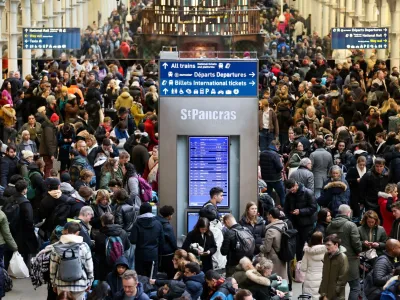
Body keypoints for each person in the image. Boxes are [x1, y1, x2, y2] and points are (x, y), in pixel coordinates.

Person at [326, 204, 362, 300]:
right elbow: (356, 243)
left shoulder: (330, 226)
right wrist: (359, 251)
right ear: (348, 213)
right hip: (350, 261)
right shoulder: (351, 225)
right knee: (355, 287)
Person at [50, 222, 94, 300]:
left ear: (66, 231)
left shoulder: (56, 247)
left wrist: (53, 283)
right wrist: (90, 281)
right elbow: (89, 267)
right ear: (77, 233)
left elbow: (53, 267)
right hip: (80, 285)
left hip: (61, 285)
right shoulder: (84, 246)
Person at [4, 180, 37, 271]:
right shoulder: (25, 203)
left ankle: (6, 270)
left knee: (8, 253)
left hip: (10, 230)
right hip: (22, 231)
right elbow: (29, 220)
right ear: (24, 190)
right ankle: (24, 269)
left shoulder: (9, 199)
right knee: (24, 253)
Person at [284, 179, 317, 261]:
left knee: (307, 244)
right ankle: (299, 263)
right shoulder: (289, 195)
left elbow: (313, 208)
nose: (292, 191)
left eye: (293, 189)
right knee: (298, 246)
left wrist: (300, 211)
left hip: (307, 224)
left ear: (296, 185)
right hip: (295, 224)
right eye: (290, 190)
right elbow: (286, 209)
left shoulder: (308, 193)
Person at [129, 202, 164, 277]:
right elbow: (162, 241)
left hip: (140, 255)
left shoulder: (136, 224)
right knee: (152, 278)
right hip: (153, 254)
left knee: (141, 278)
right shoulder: (158, 223)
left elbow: (133, 240)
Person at [93, 212, 131, 281]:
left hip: (105, 265)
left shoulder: (99, 235)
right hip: (120, 264)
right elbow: (127, 247)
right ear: (113, 221)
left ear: (102, 222)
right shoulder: (123, 232)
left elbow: (97, 252)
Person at [259, 207, 288, 280]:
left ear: (271, 215)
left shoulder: (270, 230)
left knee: (275, 279)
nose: (267, 216)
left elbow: (266, 248)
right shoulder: (284, 225)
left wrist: (259, 246)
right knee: (282, 279)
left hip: (273, 259)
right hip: (283, 256)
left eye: (268, 215)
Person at [319, 234, 349, 300]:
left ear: (336, 245)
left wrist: (334, 293)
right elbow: (324, 275)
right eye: (325, 245)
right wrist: (322, 291)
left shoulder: (342, 257)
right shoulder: (326, 255)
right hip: (325, 293)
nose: (326, 247)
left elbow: (342, 279)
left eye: (329, 245)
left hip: (336, 296)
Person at [259, 140, 286, 206]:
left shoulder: (262, 153)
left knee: (268, 196)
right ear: (276, 146)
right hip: (276, 179)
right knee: (282, 195)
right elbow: (279, 167)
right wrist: (281, 162)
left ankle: (269, 211)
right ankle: (285, 211)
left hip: (266, 179)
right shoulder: (275, 154)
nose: (278, 149)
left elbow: (260, 164)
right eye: (278, 147)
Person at [301, 231, 326, 300]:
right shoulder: (326, 251)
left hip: (310, 279)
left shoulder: (307, 252)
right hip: (322, 278)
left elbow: (303, 268)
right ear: (321, 240)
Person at [155, 205, 177, 279]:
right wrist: (176, 250)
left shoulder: (155, 221)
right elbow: (172, 241)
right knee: (170, 273)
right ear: (169, 216)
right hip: (167, 253)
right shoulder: (167, 226)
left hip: (157, 251)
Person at [346, 156, 367, 221]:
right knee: (355, 208)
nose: (362, 166)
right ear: (357, 163)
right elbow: (347, 179)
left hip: (364, 193)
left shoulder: (367, 170)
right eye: (360, 165)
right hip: (354, 192)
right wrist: (355, 180)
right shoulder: (352, 169)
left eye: (363, 165)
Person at [39, 113, 59, 178]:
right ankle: (48, 183)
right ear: (54, 121)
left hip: (47, 152)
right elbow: (49, 142)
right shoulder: (49, 128)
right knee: (48, 168)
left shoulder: (49, 127)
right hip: (47, 152)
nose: (58, 123)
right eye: (57, 121)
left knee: (46, 167)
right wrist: (52, 154)